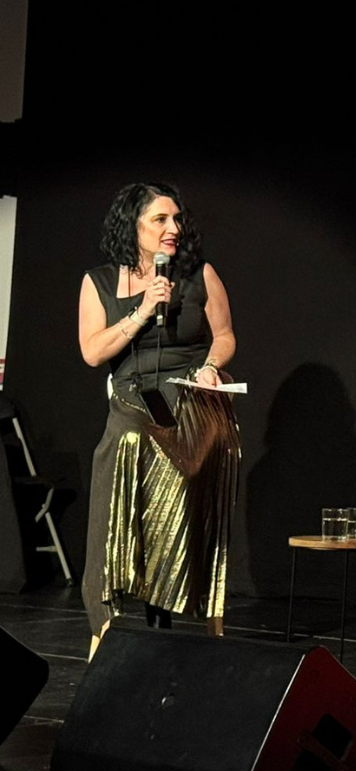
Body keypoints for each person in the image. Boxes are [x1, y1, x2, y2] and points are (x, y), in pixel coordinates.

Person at [77, 182, 240, 653]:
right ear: (133, 225)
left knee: (194, 451)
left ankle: (170, 596)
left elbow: (224, 335)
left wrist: (211, 367)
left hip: (190, 387)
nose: (174, 229)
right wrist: (144, 307)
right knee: (126, 441)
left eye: (176, 219)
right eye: (160, 220)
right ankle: (105, 610)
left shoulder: (199, 273)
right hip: (135, 392)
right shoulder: (100, 282)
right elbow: (93, 353)